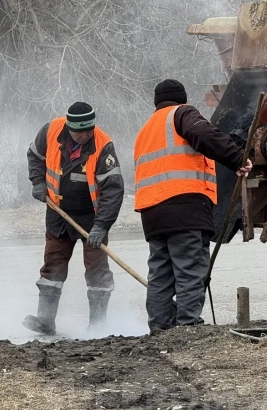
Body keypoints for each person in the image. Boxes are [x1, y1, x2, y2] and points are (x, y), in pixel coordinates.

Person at [134, 79, 252, 334]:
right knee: (190, 268)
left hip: (152, 212)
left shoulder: (146, 130)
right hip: (184, 206)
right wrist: (237, 158)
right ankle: (189, 327)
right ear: (183, 99)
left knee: (160, 274)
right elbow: (204, 135)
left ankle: (161, 327)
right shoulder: (182, 113)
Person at [23, 102, 124, 336]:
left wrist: (101, 226)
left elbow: (113, 189)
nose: (85, 135)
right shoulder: (50, 131)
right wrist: (37, 181)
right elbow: (34, 156)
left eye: (89, 129)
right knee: (52, 266)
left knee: (97, 270)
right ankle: (45, 320)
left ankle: (98, 325)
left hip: (93, 217)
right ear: (68, 127)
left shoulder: (103, 145)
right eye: (79, 131)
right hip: (58, 212)